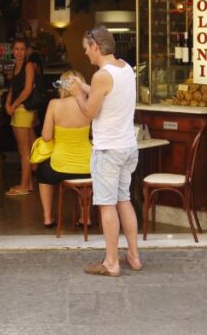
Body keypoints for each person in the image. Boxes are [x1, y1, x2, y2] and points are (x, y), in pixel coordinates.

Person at [72, 25, 142, 277]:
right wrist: (84, 86)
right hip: (127, 147)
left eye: (86, 49)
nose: (86, 54)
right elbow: (108, 95)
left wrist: (76, 94)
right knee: (124, 200)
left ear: (96, 46)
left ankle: (111, 262)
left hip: (107, 150)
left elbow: (91, 112)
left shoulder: (101, 75)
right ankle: (133, 255)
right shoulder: (125, 67)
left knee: (106, 205)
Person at [35, 69, 92, 228]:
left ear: (62, 85)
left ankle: (47, 217)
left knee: (42, 174)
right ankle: (85, 217)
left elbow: (46, 137)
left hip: (59, 166)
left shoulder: (54, 105)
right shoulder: (88, 106)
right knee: (86, 182)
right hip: (87, 166)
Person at [4, 37, 41, 196]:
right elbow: (14, 88)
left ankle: (23, 186)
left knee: (24, 151)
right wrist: (7, 103)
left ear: (26, 51)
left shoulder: (29, 66)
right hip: (18, 109)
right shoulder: (16, 66)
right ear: (13, 50)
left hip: (23, 110)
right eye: (16, 49)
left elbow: (27, 90)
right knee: (24, 149)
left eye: (22, 49)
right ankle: (29, 184)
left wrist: (14, 104)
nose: (19, 52)